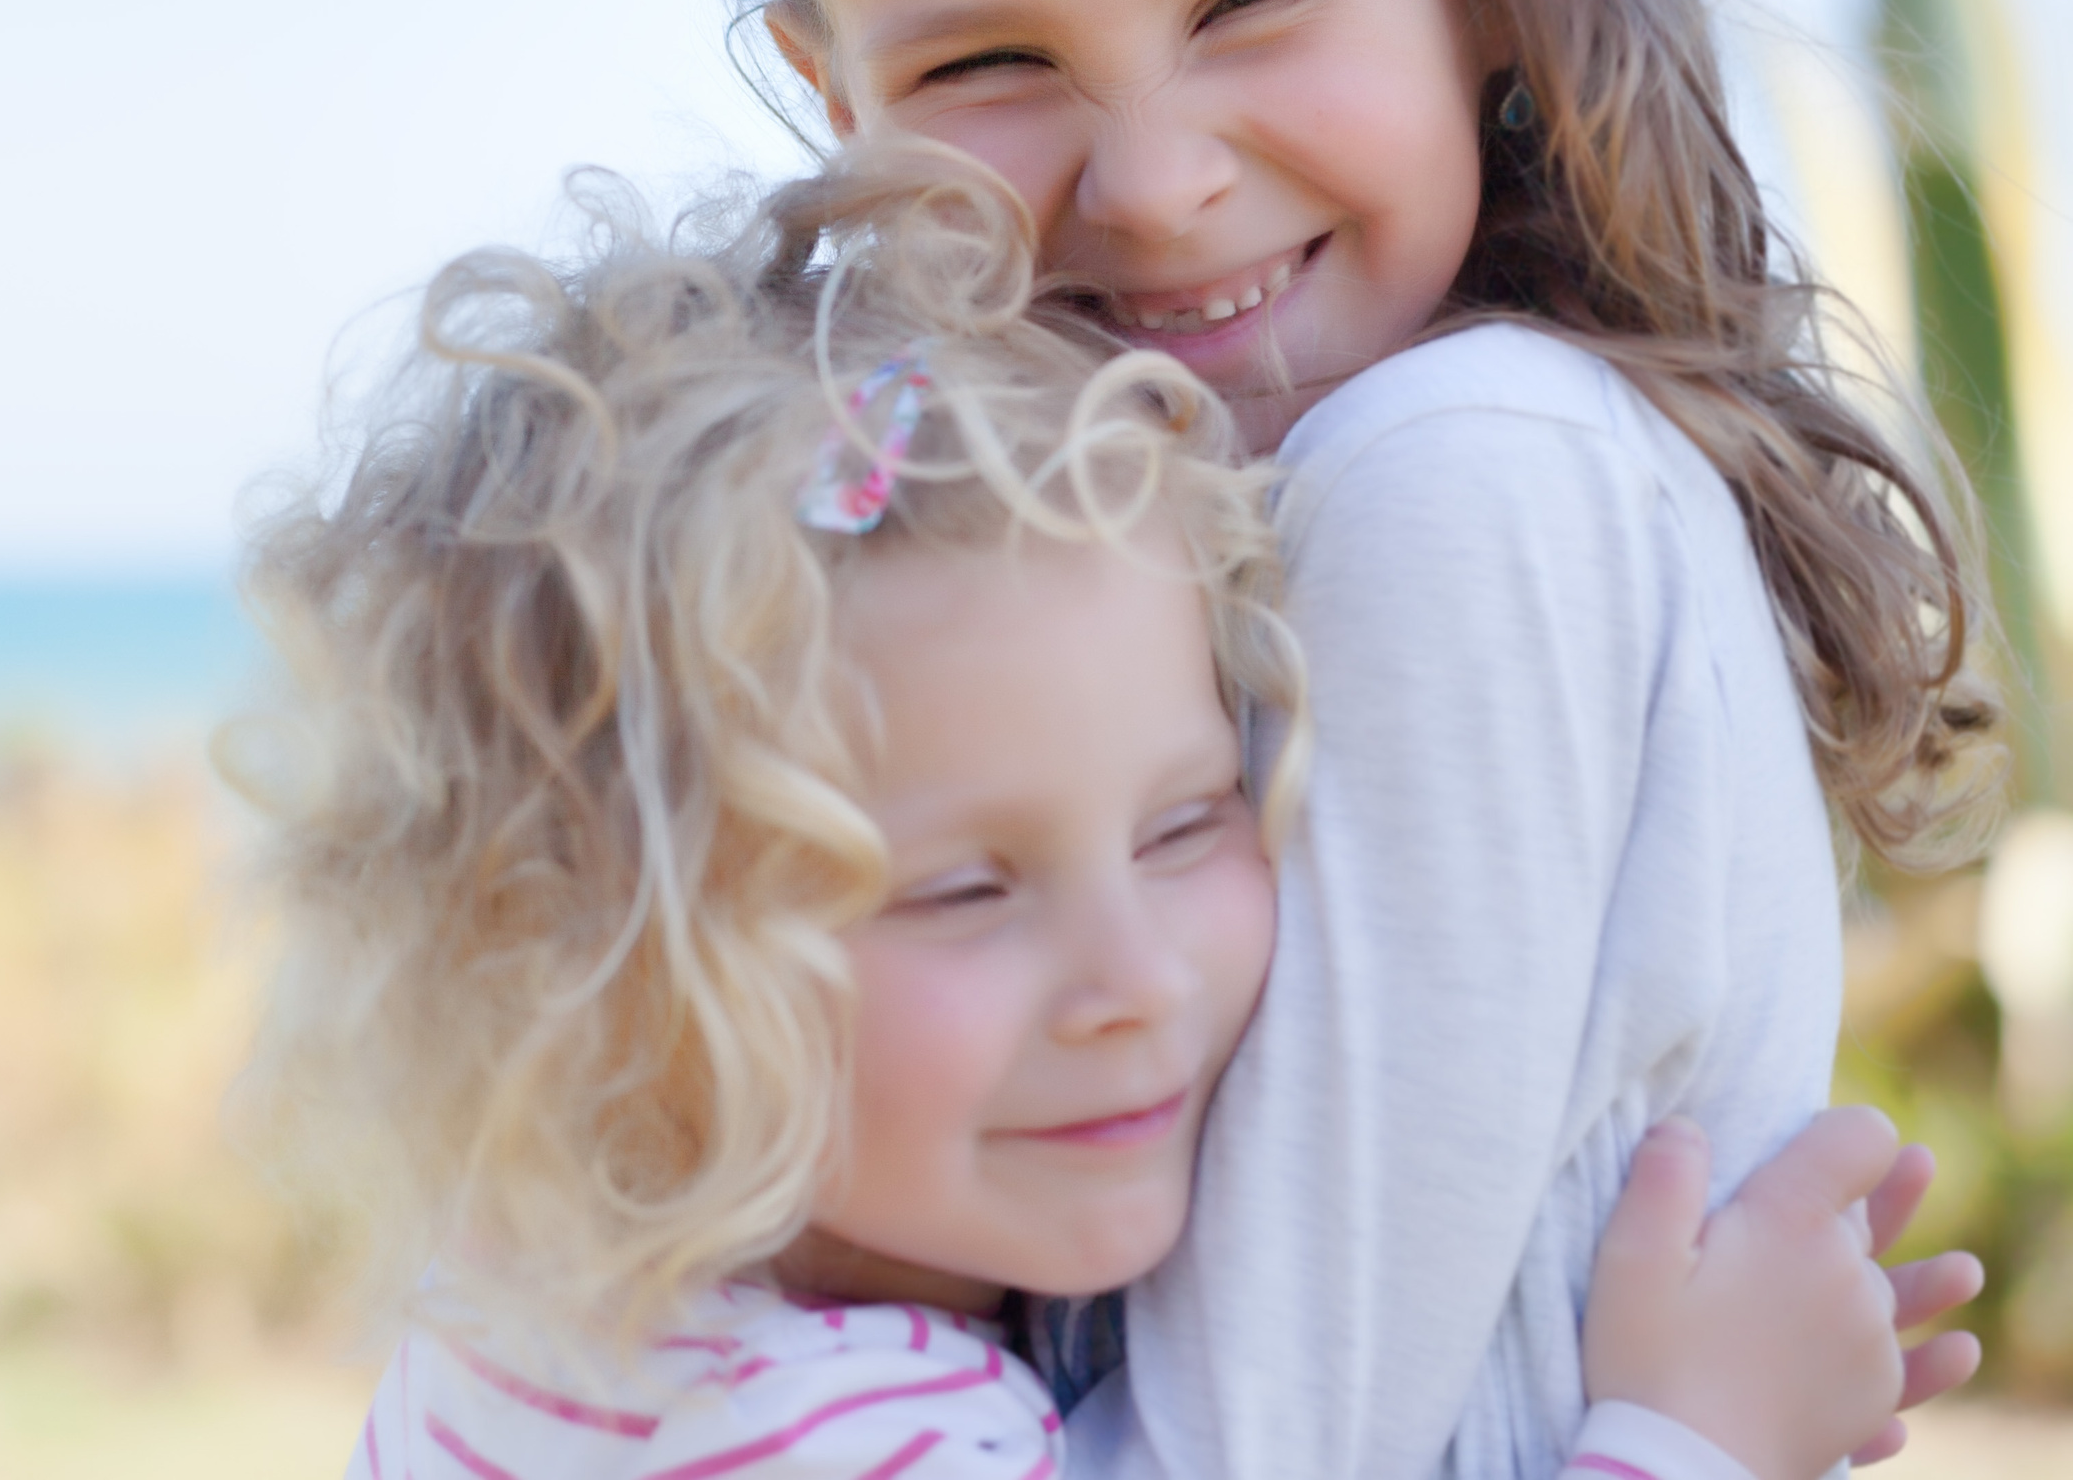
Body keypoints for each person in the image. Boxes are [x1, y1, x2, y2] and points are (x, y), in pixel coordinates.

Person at [662, 0, 2006, 1475]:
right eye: (988, 61)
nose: (1154, 178)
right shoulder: (1137, 563)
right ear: (832, 98)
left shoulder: (1457, 484)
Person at [229, 150, 1968, 1480]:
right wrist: (1697, 1438)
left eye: (1186, 826)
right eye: (967, 891)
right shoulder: (863, 1439)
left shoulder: (529, 1319)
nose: (1132, 976)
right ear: (604, 962)